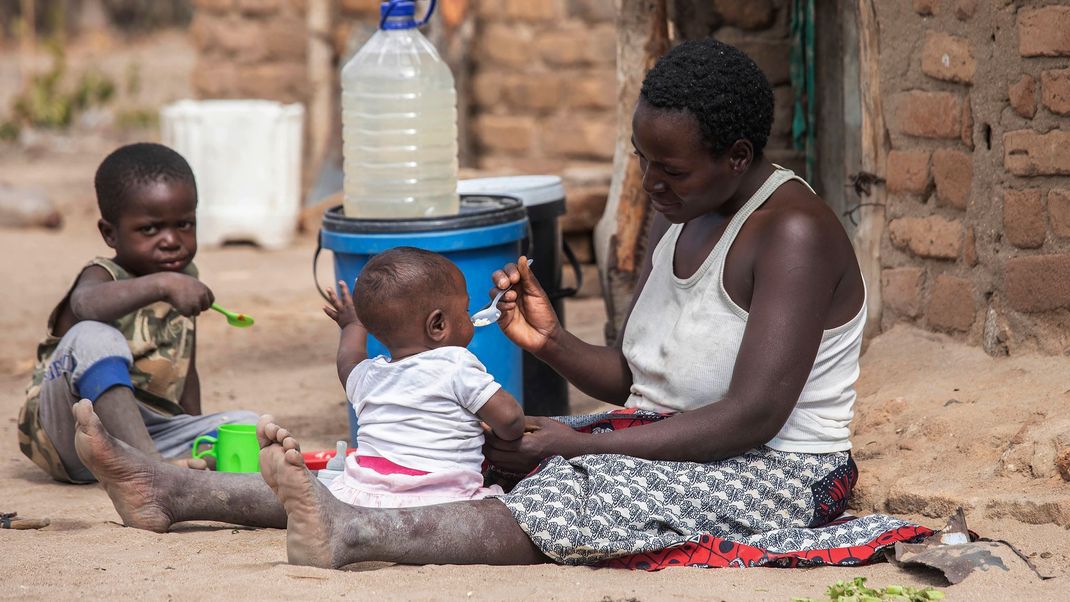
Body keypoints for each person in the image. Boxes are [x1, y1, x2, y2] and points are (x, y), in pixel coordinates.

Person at [69, 39, 927, 568]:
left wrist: (581, 447)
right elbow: (638, 381)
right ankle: (176, 491)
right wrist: (553, 345)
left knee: (567, 494)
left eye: (670, 170)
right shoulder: (686, 217)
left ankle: (352, 536)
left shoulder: (794, 233)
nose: (650, 187)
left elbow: (751, 416)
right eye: (643, 162)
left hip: (778, 473)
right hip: (672, 442)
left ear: (738, 155)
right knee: (438, 453)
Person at [17, 142, 259, 483]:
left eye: (185, 224)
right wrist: (163, 284)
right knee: (94, 337)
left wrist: (193, 428)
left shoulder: (184, 280)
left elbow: (185, 367)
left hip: (142, 436)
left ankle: (152, 463)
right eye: (150, 229)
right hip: (71, 435)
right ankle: (153, 471)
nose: (171, 240)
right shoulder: (102, 276)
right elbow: (84, 306)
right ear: (110, 233)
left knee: (249, 426)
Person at [320, 247, 524, 507]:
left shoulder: (366, 375)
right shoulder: (455, 364)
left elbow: (348, 358)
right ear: (438, 325)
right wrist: (507, 430)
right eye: (465, 310)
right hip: (443, 500)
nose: (469, 318)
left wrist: (352, 325)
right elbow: (511, 420)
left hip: (366, 497)